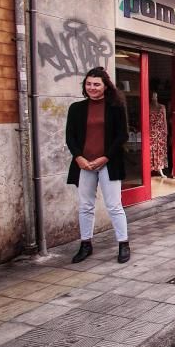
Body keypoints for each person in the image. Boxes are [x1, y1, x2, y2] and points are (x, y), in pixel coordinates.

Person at [65, 67, 131, 264]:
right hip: (84, 164)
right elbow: (70, 136)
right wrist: (78, 157)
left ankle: (123, 243)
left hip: (108, 163)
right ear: (85, 86)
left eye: (96, 84)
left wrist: (105, 157)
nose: (92, 87)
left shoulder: (116, 107)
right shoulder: (76, 108)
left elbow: (122, 135)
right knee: (85, 206)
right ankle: (86, 244)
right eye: (89, 84)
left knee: (114, 205)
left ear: (105, 86)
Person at [149, 92, 168, 178]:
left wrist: (166, 131)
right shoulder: (147, 106)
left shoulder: (162, 107)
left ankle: (160, 169)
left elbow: (164, 120)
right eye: (153, 96)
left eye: (155, 96)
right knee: (151, 150)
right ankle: (149, 169)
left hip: (160, 132)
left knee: (160, 151)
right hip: (150, 132)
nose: (154, 98)